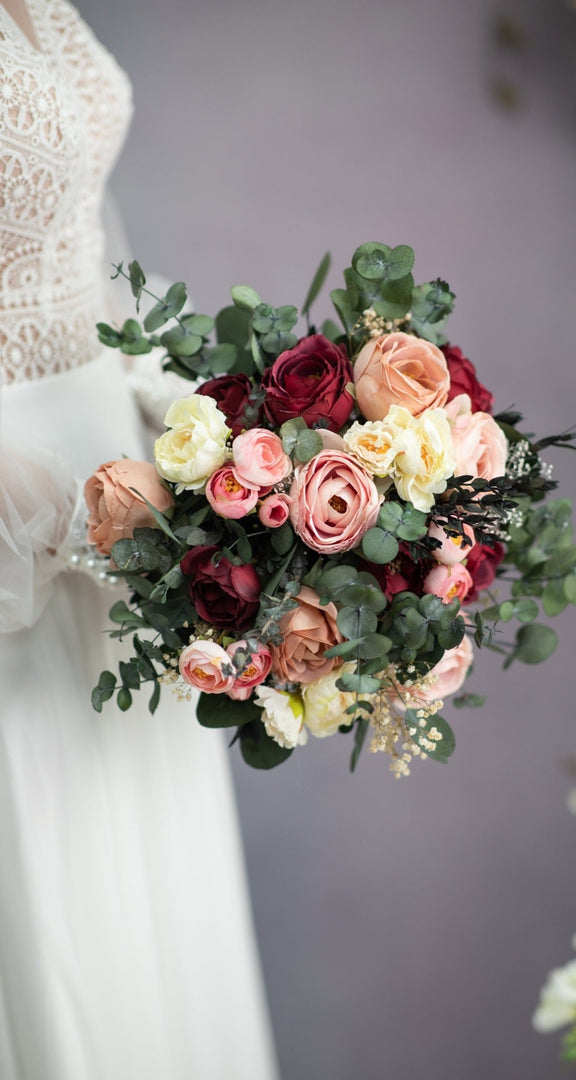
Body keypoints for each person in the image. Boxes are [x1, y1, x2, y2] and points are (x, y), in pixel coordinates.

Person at [0, 2, 279, 1077]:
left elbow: (70, 252)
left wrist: (175, 410)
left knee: (148, 912)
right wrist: (73, 512)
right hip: (26, 534)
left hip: (126, 522)